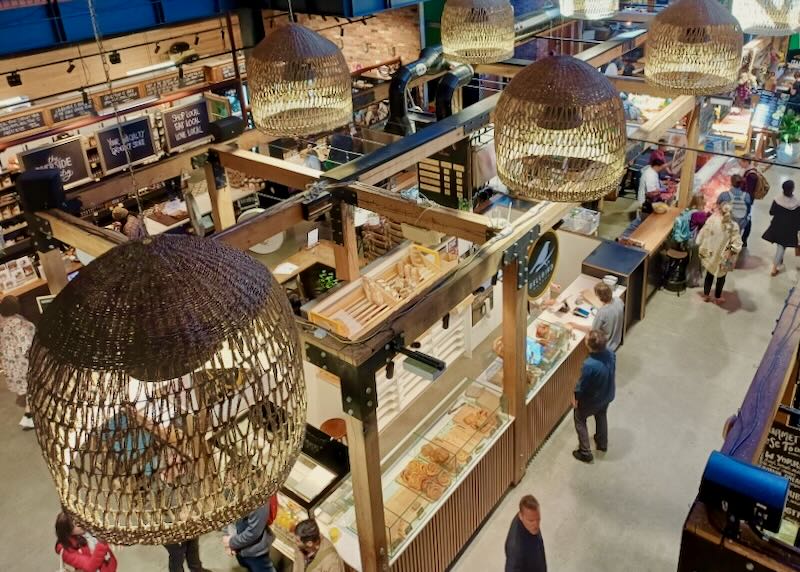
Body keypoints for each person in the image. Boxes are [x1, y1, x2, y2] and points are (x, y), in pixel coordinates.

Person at [572, 330, 616, 463]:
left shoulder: (589, 365)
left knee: (579, 418)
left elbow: (582, 385)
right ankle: (602, 443)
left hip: (592, 400)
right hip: (607, 394)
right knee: (601, 415)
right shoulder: (611, 354)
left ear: (590, 346)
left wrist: (576, 397)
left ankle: (585, 451)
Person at [0, 295, 35, 429]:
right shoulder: (21, 325)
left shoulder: (2, 322)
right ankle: (28, 417)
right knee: (32, 388)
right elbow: (26, 347)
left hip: (10, 364)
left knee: (27, 390)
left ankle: (29, 415)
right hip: (22, 364)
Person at [696, 203, 743, 303]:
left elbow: (703, 233)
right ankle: (718, 297)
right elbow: (737, 243)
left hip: (711, 253)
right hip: (725, 257)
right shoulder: (733, 226)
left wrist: (699, 242)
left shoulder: (712, 220)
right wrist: (732, 250)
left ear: (720, 210)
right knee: (721, 277)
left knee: (709, 275)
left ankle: (706, 295)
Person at [569, 282, 625, 352]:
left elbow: (592, 332)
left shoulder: (602, 313)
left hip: (606, 346)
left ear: (599, 297)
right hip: (616, 341)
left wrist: (574, 325)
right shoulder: (618, 301)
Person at [763, 180, 800, 276]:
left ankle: (779, 261)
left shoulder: (777, 200)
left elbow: (771, 212)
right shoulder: (796, 203)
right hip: (789, 229)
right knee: (781, 247)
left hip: (777, 226)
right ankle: (774, 269)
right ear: (792, 189)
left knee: (780, 246)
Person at [224, 503, 276, 572]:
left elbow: (254, 532)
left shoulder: (259, 499)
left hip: (256, 552)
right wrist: (228, 535)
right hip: (240, 549)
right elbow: (228, 514)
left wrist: (231, 542)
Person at [504, 495, 547, 572]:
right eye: (531, 521)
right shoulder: (515, 547)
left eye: (538, 519)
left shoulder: (530, 519)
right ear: (520, 516)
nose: (536, 525)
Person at [717, 174, 753, 246]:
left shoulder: (724, 195)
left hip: (727, 221)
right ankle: (743, 241)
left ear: (731, 183)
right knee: (749, 221)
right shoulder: (746, 196)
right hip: (741, 223)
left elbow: (717, 206)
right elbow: (748, 210)